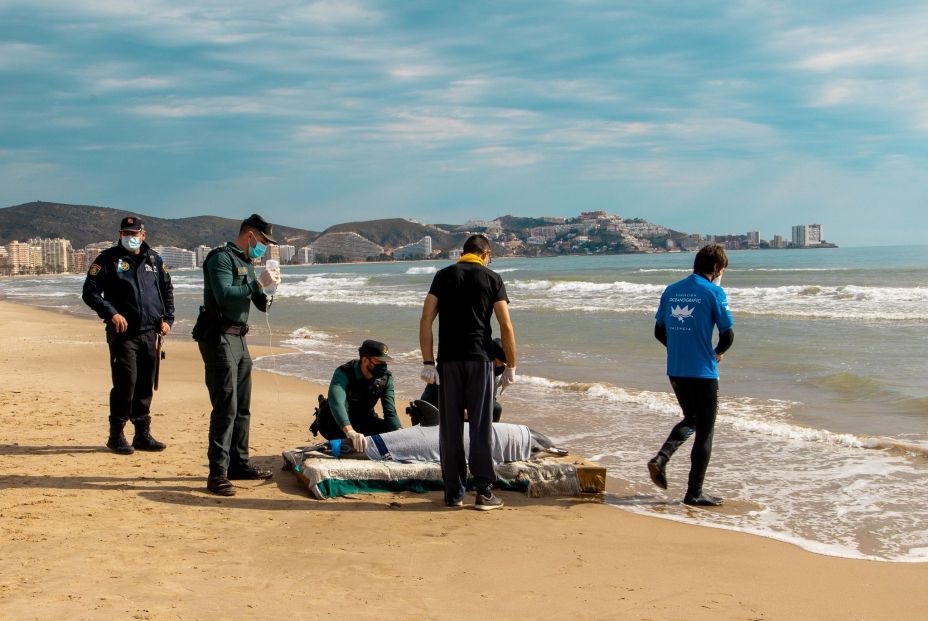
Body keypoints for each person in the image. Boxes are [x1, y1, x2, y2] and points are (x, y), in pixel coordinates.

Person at [419, 234, 517, 510]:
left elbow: (426, 318)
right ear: (485, 254)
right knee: (480, 426)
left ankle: (453, 493)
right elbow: (506, 326)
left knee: (449, 429)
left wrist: (427, 362)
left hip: (448, 361)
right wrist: (511, 365)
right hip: (479, 359)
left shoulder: (443, 276)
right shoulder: (492, 278)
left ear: (464, 253)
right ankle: (484, 492)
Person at [195, 214, 281, 496]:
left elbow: (260, 305)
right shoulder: (221, 259)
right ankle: (217, 473)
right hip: (219, 337)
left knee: (242, 406)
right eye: (263, 241)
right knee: (226, 406)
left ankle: (239, 463)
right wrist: (257, 284)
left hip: (239, 338)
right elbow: (224, 295)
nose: (264, 248)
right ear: (250, 235)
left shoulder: (247, 262)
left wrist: (270, 289)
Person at [647, 243, 734, 507]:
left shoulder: (672, 291)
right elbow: (728, 334)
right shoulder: (714, 293)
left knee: (692, 418)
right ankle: (694, 492)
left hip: (676, 369)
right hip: (703, 372)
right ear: (717, 268)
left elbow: (659, 332)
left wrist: (679, 349)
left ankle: (662, 458)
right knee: (704, 430)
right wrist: (716, 352)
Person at [82, 216, 175, 455]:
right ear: (120, 234)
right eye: (126, 233)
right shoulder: (108, 259)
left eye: (134, 234)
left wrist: (168, 319)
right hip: (123, 334)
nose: (130, 238)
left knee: (145, 384)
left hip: (149, 333)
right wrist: (111, 313)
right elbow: (90, 292)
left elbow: (166, 290)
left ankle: (142, 435)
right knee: (126, 383)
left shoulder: (154, 259)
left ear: (143, 235)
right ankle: (116, 435)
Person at [313, 339, 402, 452]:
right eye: (380, 362)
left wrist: (400, 433)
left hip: (363, 419)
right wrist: (350, 431)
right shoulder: (344, 373)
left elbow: (390, 413)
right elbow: (337, 403)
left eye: (385, 362)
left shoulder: (386, 379)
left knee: (390, 434)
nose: (384, 366)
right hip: (334, 421)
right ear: (365, 360)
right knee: (346, 440)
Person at [418, 337, 507, 423]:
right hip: (433, 406)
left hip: (461, 407)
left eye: (503, 365)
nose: (500, 367)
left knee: (495, 409)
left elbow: (489, 402)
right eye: (497, 362)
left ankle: (488, 436)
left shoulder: (492, 373)